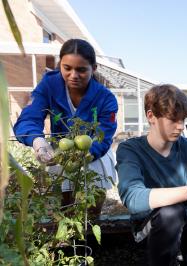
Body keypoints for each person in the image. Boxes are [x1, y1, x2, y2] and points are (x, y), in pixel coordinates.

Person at [116, 84, 187, 266]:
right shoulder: (130, 149)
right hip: (149, 223)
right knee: (170, 213)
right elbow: (134, 198)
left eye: (183, 120)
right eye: (173, 120)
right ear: (151, 116)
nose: (180, 127)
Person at [13, 39, 118, 207]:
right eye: (67, 68)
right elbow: (29, 118)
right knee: (63, 207)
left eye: (81, 70)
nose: (73, 75)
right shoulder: (49, 85)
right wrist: (38, 141)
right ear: (60, 64)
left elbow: (103, 137)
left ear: (94, 69)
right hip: (59, 154)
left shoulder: (105, 98)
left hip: (94, 154)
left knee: (92, 207)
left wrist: (86, 155)